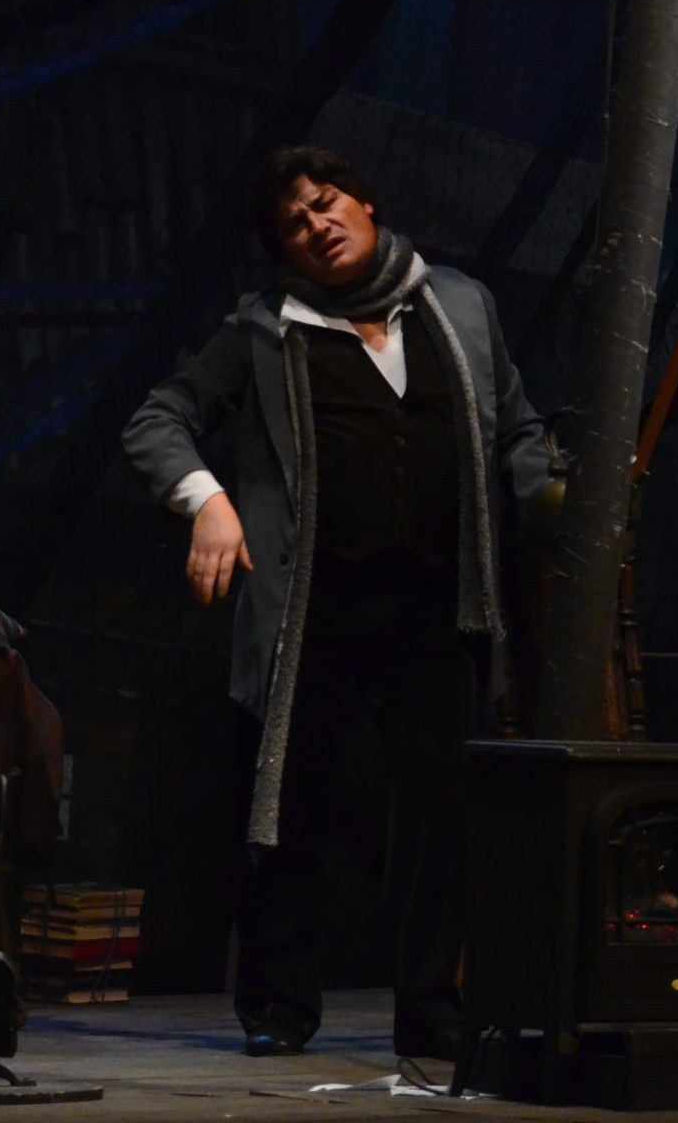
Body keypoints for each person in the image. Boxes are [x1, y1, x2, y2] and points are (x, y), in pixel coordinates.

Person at [122, 146, 555, 1063]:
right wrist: (208, 502)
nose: (316, 225)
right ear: (284, 250)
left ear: (365, 203)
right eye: (294, 223)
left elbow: (516, 432)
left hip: (437, 602)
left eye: (325, 204)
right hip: (313, 603)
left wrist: (557, 498)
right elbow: (160, 418)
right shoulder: (266, 331)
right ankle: (280, 1004)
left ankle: (431, 1008)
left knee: (438, 814)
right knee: (294, 807)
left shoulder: (460, 304)